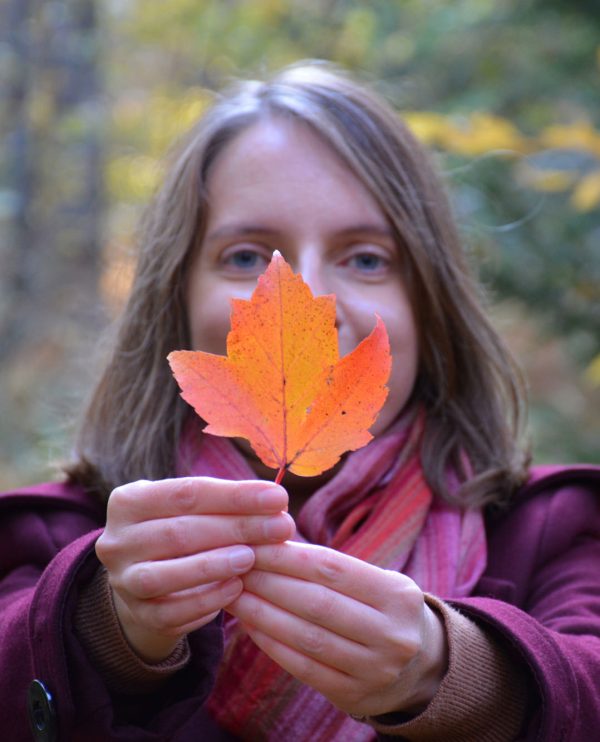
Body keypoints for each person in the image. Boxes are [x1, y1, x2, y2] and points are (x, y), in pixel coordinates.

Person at [1, 62, 599, 742]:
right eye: (248, 257)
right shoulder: (56, 541)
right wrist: (105, 630)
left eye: (367, 258)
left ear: (432, 307)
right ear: (176, 301)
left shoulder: (553, 535)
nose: (309, 297)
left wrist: (462, 675)